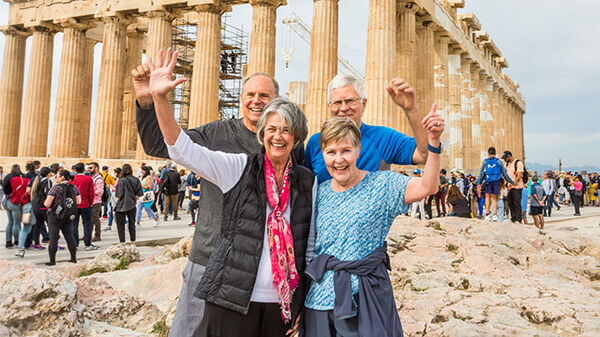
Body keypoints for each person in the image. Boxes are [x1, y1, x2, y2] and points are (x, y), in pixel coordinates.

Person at [132, 49, 304, 336]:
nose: (256, 101)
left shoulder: (289, 145)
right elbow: (160, 145)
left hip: (265, 269)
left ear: (278, 100)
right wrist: (149, 100)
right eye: (250, 94)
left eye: (264, 95)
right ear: (241, 99)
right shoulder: (216, 135)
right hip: (210, 257)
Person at [304, 108, 443, 336]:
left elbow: (428, 187)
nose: (339, 160)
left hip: (365, 296)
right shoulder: (319, 192)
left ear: (358, 150)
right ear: (323, 154)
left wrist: (434, 143)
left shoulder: (382, 185)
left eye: (346, 150)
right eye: (331, 152)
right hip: (318, 300)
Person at [305, 74, 429, 184]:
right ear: (329, 106)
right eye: (337, 103)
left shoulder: (383, 138)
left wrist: (411, 110)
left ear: (363, 104)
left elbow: (425, 155)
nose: (343, 108)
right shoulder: (315, 142)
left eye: (350, 101)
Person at [43, 169, 79, 265]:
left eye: (57, 176)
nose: (56, 178)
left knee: (53, 238)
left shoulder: (55, 188)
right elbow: (79, 201)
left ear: (63, 177)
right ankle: (73, 258)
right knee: (69, 236)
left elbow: (47, 204)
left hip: (55, 216)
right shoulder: (74, 188)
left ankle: (52, 260)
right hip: (68, 215)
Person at [474, 147, 513, 222]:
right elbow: (504, 173)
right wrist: (510, 181)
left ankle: (488, 214)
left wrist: (477, 183)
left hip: (488, 181)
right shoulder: (499, 162)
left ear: (488, 153)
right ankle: (494, 215)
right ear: (495, 153)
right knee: (494, 198)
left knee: (487, 197)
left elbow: (481, 174)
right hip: (496, 181)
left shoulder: (485, 162)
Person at [3, 165, 31, 256]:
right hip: (15, 202)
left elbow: (5, 189)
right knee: (16, 222)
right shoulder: (19, 178)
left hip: (7, 201)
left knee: (10, 222)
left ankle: (8, 242)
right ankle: (17, 241)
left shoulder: (7, 177)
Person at [114, 164, 143, 246]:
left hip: (121, 205)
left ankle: (122, 242)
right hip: (132, 204)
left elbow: (119, 194)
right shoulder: (136, 180)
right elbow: (140, 193)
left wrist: (116, 202)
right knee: (131, 224)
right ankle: (133, 242)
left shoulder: (121, 180)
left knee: (120, 225)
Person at [70, 163, 97, 251]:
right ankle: (87, 244)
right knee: (87, 224)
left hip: (75, 205)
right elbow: (91, 193)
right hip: (85, 204)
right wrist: (91, 203)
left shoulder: (72, 179)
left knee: (74, 224)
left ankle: (74, 244)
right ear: (83, 169)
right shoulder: (88, 179)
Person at [28, 167, 53, 250]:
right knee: (51, 224)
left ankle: (37, 243)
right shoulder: (47, 181)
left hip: (35, 205)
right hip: (43, 206)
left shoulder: (37, 180)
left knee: (37, 225)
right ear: (48, 173)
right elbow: (48, 193)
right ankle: (53, 242)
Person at [502, 151, 524, 223]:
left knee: (517, 203)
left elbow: (519, 175)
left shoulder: (518, 163)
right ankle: (513, 218)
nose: (505, 159)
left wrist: (513, 183)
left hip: (517, 187)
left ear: (509, 156)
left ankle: (518, 219)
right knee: (510, 203)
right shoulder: (506, 164)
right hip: (509, 187)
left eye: (505, 158)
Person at [88, 162, 104, 242]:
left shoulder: (99, 179)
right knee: (90, 219)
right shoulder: (92, 177)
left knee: (95, 219)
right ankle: (88, 235)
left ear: (96, 168)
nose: (89, 169)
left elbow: (100, 191)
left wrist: (89, 193)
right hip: (91, 201)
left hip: (96, 201)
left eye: (91, 168)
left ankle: (97, 235)